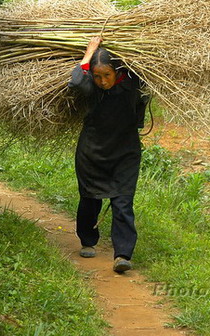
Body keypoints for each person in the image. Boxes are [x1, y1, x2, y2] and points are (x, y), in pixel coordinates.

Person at [68, 36, 147, 273]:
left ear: (117, 72)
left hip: (125, 151)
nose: (102, 81)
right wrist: (90, 51)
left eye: (107, 75)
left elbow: (146, 80)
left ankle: (122, 254)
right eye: (98, 76)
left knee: (123, 201)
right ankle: (88, 241)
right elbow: (76, 80)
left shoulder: (133, 84)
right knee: (90, 198)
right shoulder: (89, 87)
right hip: (92, 150)